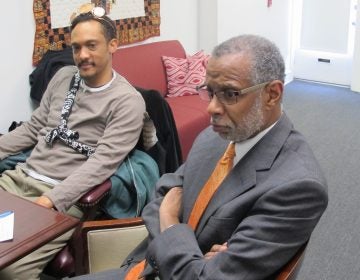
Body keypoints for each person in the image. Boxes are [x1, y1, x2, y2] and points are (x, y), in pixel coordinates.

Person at [69, 34, 328, 280]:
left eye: (230, 94)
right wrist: (194, 254)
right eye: (210, 91)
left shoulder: (298, 186)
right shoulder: (214, 137)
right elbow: (162, 194)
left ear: (272, 94)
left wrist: (171, 223)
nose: (211, 108)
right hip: (147, 265)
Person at [0, 6, 145, 280]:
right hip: (18, 179)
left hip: (62, 195)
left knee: (10, 269)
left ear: (113, 44)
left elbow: (102, 164)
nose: (83, 55)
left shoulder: (128, 101)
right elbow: (33, 129)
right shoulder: (64, 77)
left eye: (92, 45)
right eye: (77, 47)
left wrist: (50, 201)